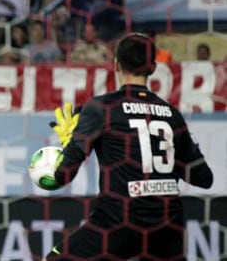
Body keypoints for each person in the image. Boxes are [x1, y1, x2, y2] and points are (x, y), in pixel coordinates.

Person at [43, 33, 214, 260]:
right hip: (166, 230)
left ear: (115, 64)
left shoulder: (101, 107)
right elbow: (204, 178)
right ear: (153, 67)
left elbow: (62, 176)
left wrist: (70, 146)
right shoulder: (172, 115)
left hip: (117, 224)